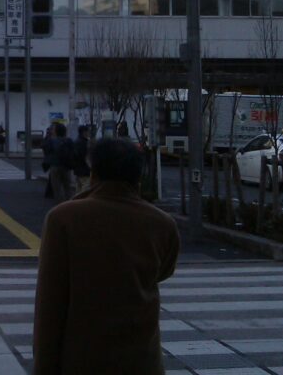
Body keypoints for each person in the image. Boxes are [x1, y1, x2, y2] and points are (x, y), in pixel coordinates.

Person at [33, 138, 180, 375]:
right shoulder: (162, 223)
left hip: (83, 360)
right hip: (143, 361)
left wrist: (43, 367)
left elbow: (50, 304)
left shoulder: (63, 219)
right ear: (138, 176)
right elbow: (164, 271)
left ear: (94, 173)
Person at [46, 123, 74, 202]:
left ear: (56, 131)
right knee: (67, 186)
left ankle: (59, 205)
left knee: (56, 187)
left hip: (55, 166)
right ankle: (69, 202)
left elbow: (48, 152)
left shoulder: (51, 140)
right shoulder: (69, 140)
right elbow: (73, 152)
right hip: (66, 166)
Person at [72, 125, 91, 192]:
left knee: (78, 187)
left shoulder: (76, 141)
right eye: (88, 131)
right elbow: (86, 157)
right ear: (84, 132)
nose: (89, 133)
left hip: (77, 168)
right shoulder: (85, 143)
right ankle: (83, 201)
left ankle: (77, 200)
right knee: (85, 186)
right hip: (84, 169)